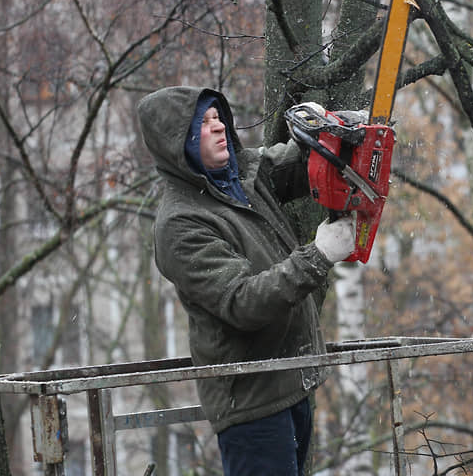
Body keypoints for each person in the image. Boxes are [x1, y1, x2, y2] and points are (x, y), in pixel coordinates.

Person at [137, 86, 355, 475]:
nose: (219, 126)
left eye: (217, 116)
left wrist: (336, 137)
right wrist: (318, 255)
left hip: (291, 380)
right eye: (203, 123)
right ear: (177, 143)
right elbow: (243, 302)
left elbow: (296, 164)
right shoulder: (180, 223)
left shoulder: (243, 175)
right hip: (251, 400)